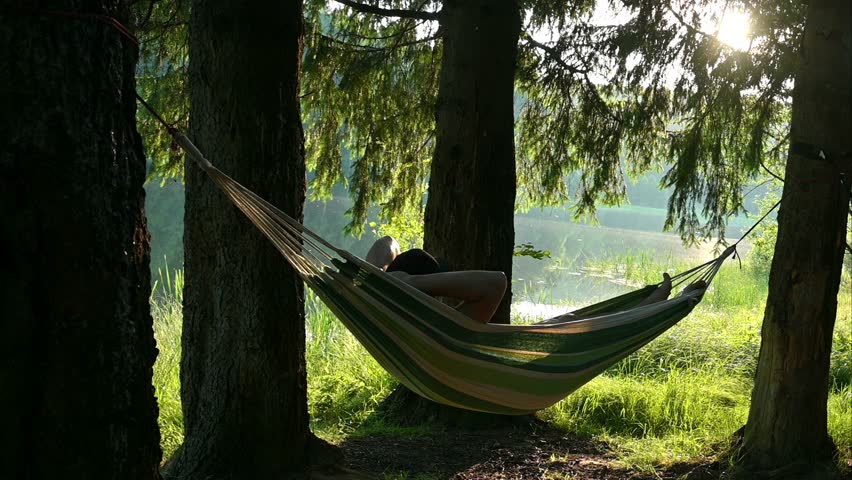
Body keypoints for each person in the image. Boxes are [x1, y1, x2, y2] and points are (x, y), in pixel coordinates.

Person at [366, 236, 506, 324]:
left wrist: (383, 272)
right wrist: (408, 282)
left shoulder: (373, 307)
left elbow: (387, 241)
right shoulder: (449, 330)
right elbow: (497, 282)